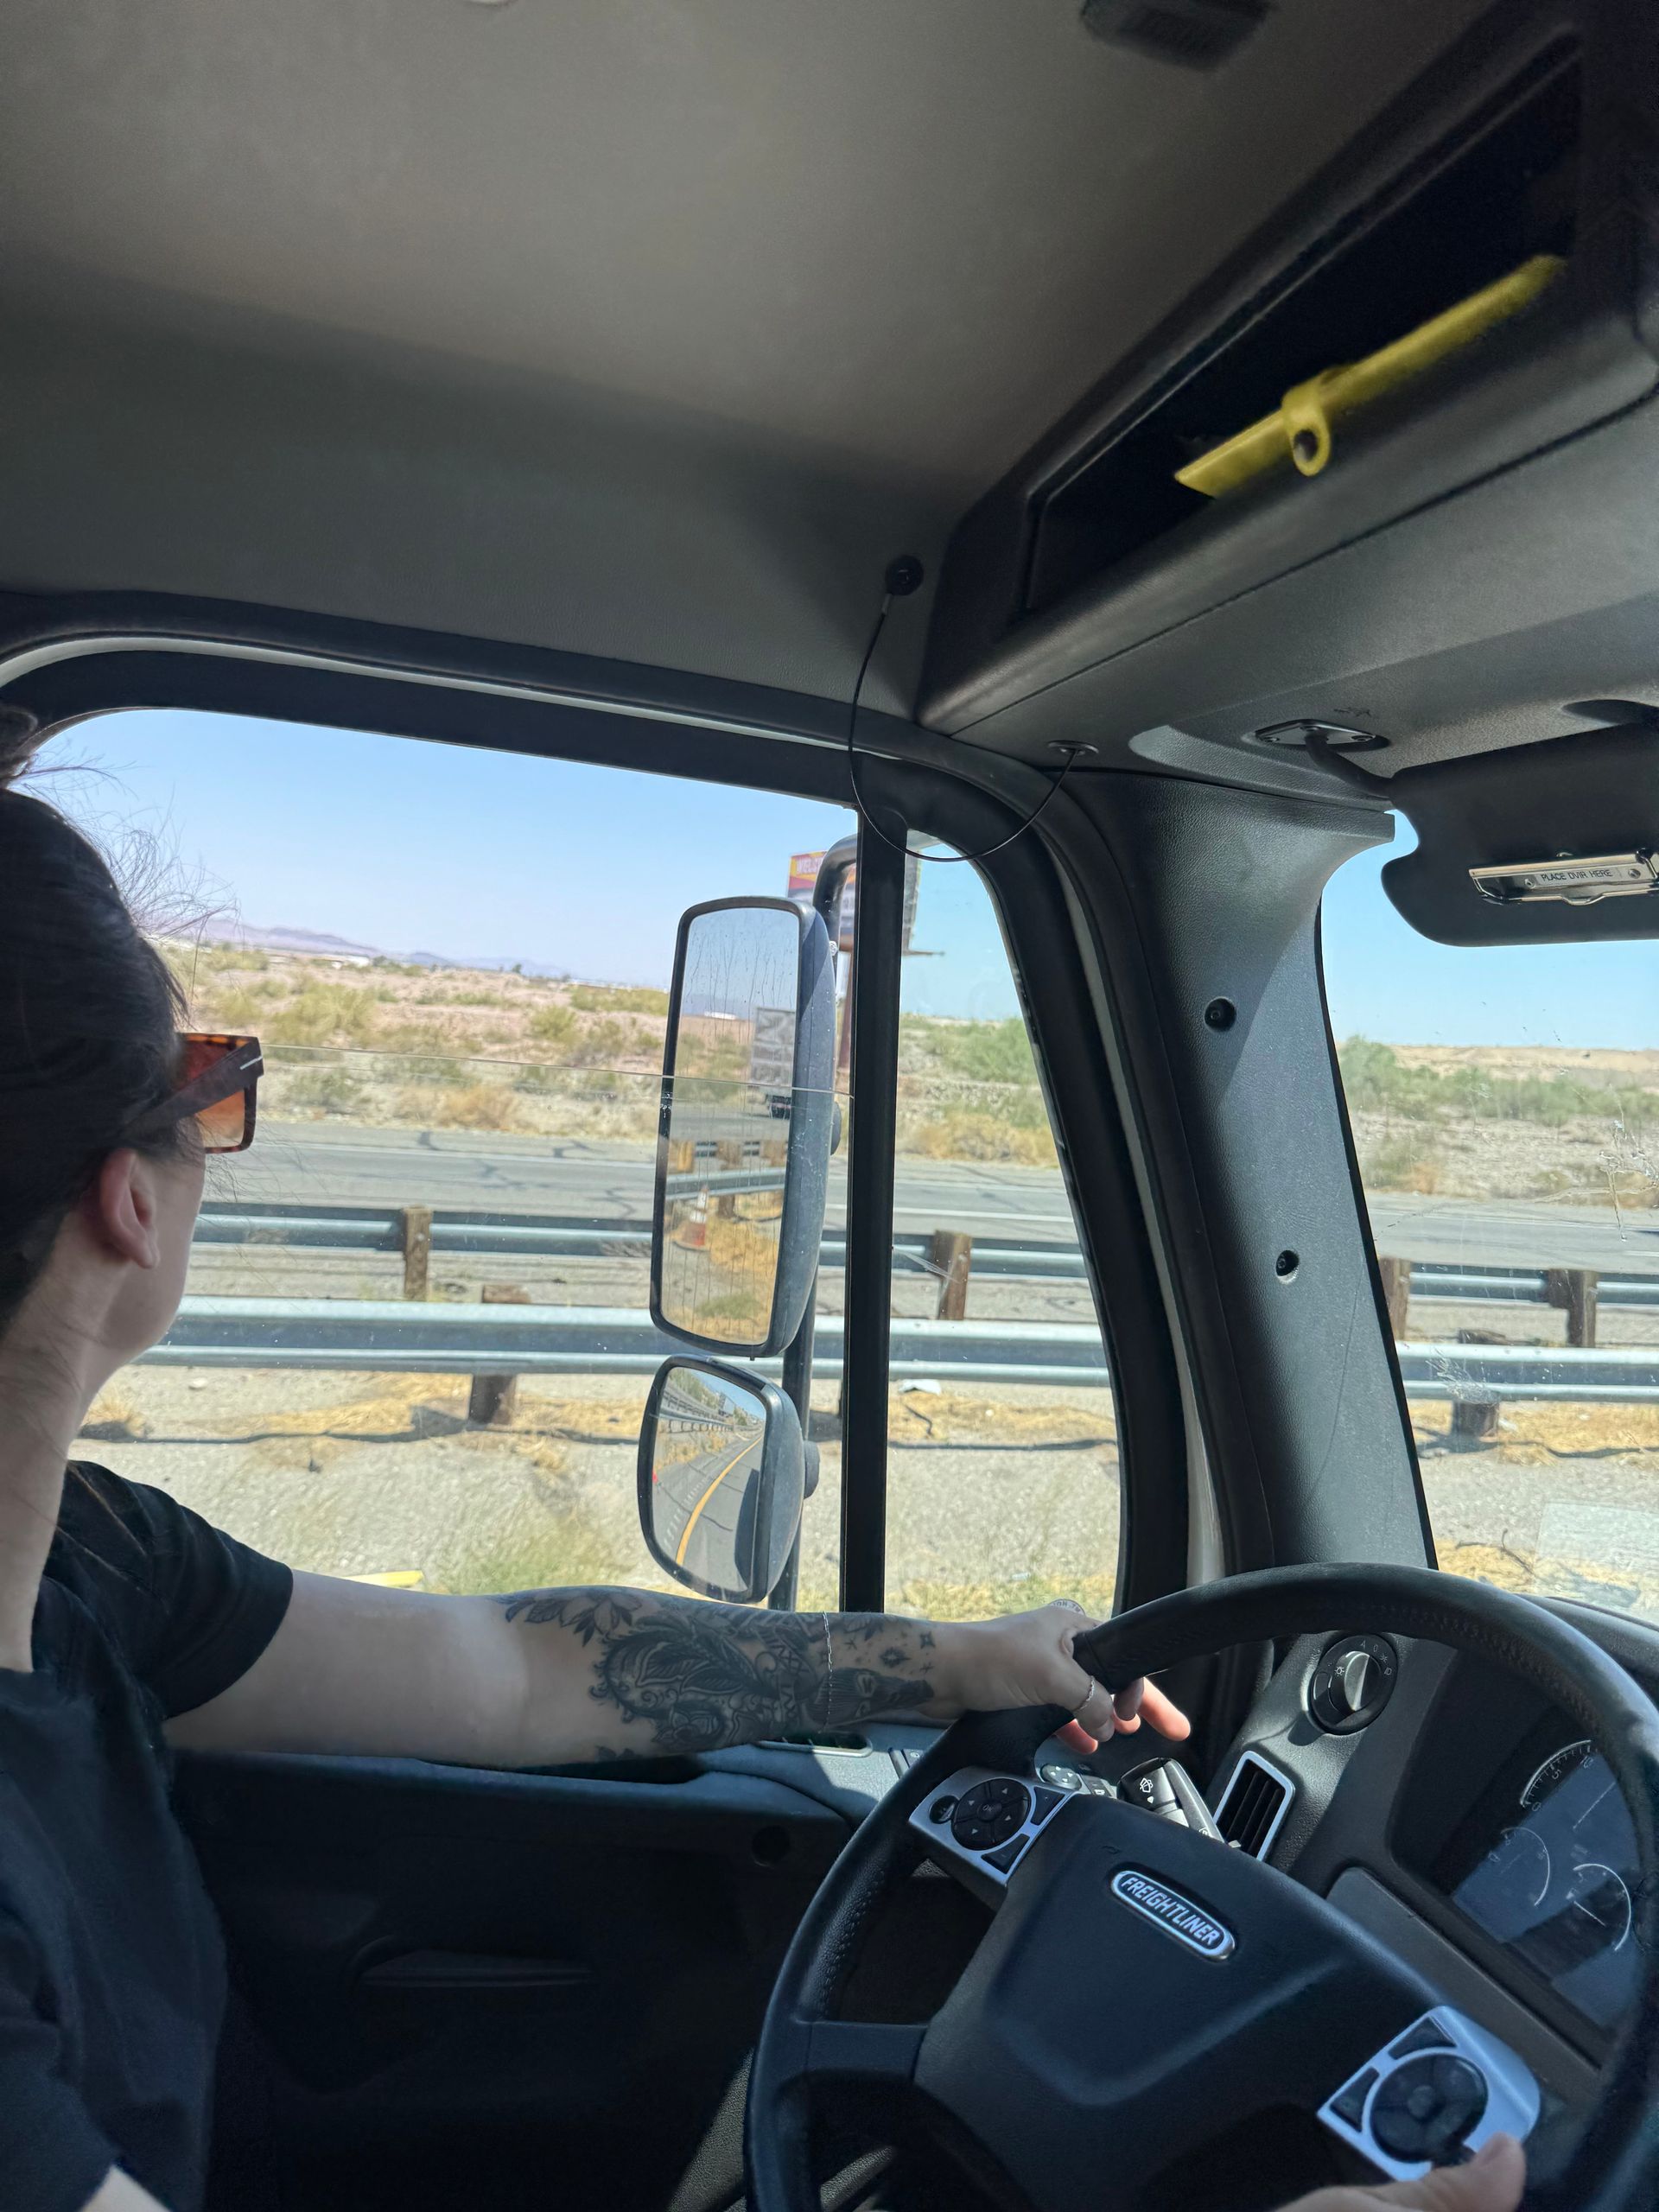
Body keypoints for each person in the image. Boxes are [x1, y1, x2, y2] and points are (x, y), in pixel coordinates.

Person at [0, 762, 1522, 2212]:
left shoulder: (94, 1560)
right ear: (126, 1200)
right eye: (208, 1086)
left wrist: (954, 1661)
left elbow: (515, 1669)